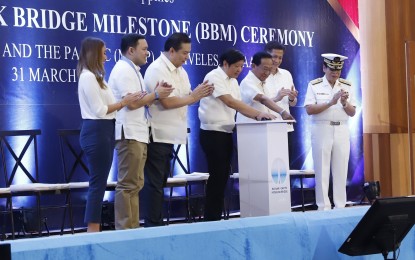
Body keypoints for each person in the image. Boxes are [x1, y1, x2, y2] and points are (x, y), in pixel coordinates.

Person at [142, 32, 214, 227]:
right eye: (184, 53)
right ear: (171, 50)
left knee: (161, 181)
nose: (187, 57)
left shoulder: (181, 71)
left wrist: (197, 93)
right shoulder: (157, 69)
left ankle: (156, 222)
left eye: (189, 53)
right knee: (155, 183)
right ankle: (152, 225)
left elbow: (185, 96)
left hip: (173, 133)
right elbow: (166, 102)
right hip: (157, 133)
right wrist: (193, 97)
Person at [198, 49, 277, 222]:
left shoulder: (233, 81)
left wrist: (257, 116)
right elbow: (230, 102)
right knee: (217, 177)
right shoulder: (214, 77)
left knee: (223, 177)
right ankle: (211, 219)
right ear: (225, 63)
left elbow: (238, 105)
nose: (239, 70)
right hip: (212, 133)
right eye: (236, 66)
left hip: (226, 132)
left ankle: (215, 217)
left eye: (242, 66)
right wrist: (257, 114)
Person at [108, 34, 173, 230]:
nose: (147, 52)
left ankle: (133, 229)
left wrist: (154, 94)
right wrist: (155, 95)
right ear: (131, 50)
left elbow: (139, 100)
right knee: (128, 185)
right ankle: (125, 230)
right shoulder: (124, 71)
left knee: (135, 185)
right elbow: (132, 103)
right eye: (144, 49)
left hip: (138, 133)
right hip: (129, 133)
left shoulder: (133, 70)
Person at [77, 37, 141, 232]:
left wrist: (127, 100)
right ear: (94, 53)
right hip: (96, 131)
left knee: (100, 182)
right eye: (104, 52)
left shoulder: (98, 78)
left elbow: (111, 106)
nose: (106, 56)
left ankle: (93, 228)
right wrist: (123, 102)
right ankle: (93, 230)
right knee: (98, 184)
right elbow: (99, 110)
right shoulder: (87, 77)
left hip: (104, 131)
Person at [304, 53, 356, 211]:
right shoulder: (315, 85)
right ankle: (323, 206)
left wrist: (344, 103)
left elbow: (353, 112)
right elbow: (309, 109)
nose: (335, 73)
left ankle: (340, 206)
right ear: (324, 68)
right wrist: (331, 102)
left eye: (338, 70)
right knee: (321, 169)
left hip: (341, 128)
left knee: (341, 169)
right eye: (332, 69)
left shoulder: (347, 85)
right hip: (322, 128)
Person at [238, 51, 295, 122]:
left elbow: (266, 102)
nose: (267, 73)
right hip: (249, 127)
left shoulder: (262, 82)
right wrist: (282, 112)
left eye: (270, 70)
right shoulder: (248, 82)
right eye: (265, 69)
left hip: (263, 127)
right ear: (253, 66)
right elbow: (262, 99)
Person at [264, 41, 298, 132]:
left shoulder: (286, 74)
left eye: (280, 58)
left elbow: (293, 103)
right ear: (265, 55)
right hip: (266, 126)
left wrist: (291, 98)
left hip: (286, 126)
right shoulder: (260, 75)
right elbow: (256, 103)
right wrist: (276, 98)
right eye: (274, 57)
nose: (277, 61)